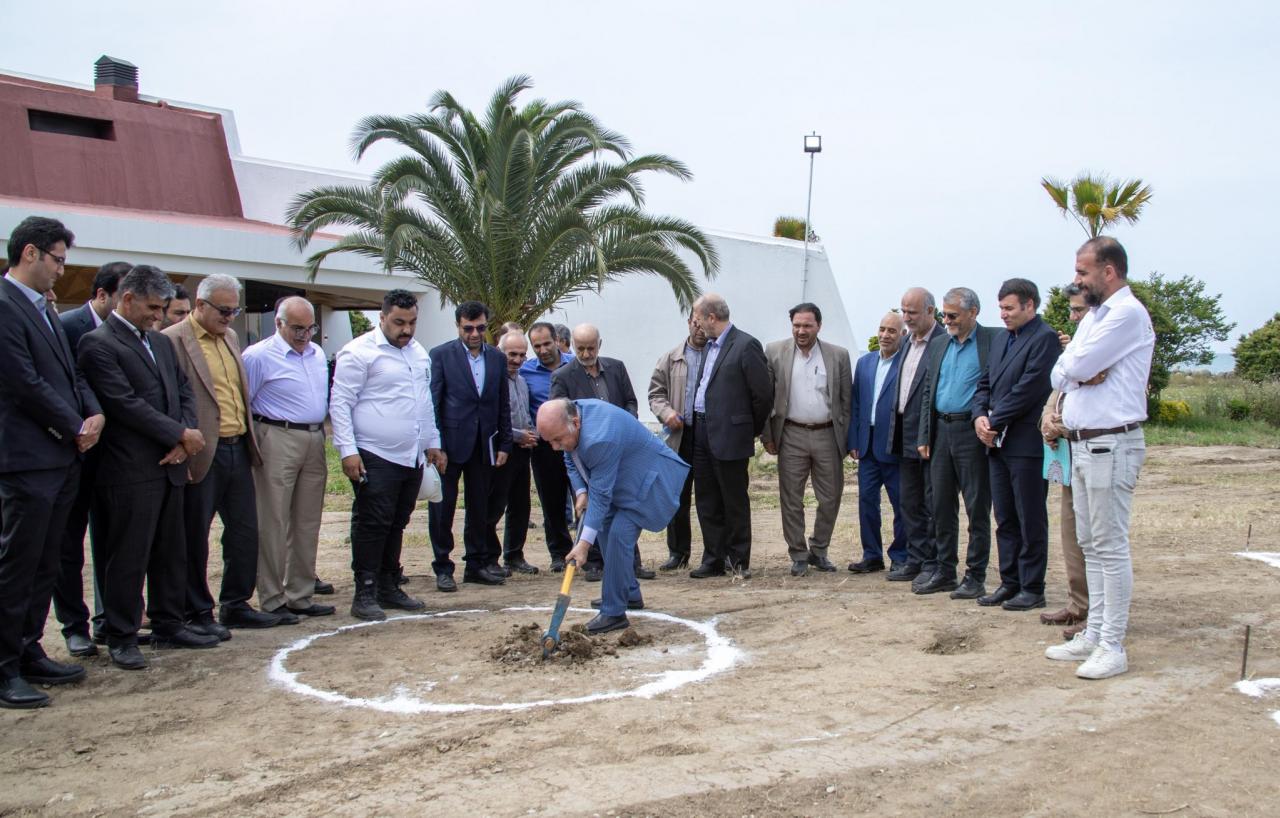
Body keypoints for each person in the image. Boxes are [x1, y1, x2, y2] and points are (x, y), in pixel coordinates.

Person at [79, 265, 218, 670]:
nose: (158, 316)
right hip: (129, 469)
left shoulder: (159, 342)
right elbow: (123, 404)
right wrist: (179, 434)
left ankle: (169, 622)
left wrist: (185, 436)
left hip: (171, 463)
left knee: (171, 549)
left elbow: (183, 390)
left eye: (161, 309)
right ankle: (121, 634)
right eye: (152, 308)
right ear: (127, 299)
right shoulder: (98, 344)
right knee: (129, 554)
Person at [0, 217, 104, 707]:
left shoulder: (44, 307)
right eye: (58, 260)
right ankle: (4, 668)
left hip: (60, 456)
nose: (62, 270)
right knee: (18, 564)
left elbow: (70, 373)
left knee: (46, 561)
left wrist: (93, 413)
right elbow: (22, 382)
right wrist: (74, 425)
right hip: (26, 459)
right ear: (30, 253)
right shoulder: (5, 306)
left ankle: (28, 649)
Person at [1045, 237, 1153, 680]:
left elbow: (1073, 367)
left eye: (1082, 271)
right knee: (1090, 543)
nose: (1076, 279)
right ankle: (1094, 634)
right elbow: (1064, 370)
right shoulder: (1095, 315)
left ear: (1108, 271)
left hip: (1113, 442)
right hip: (1084, 443)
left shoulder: (1127, 314)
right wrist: (1076, 370)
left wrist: (1075, 370)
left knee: (1110, 545)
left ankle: (1113, 644)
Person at [165, 275, 282, 634]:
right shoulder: (171, 341)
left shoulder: (230, 337)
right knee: (194, 535)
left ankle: (236, 603)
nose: (230, 317)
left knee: (245, 532)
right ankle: (197, 611)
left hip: (238, 447)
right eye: (224, 310)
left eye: (234, 311)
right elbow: (170, 399)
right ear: (200, 305)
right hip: (201, 452)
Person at [331, 289, 445, 619]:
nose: (406, 329)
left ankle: (388, 584)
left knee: (397, 521)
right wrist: (347, 451)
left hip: (411, 455)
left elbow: (424, 402)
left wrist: (433, 442)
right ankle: (364, 591)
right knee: (372, 522)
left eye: (412, 322)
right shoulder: (358, 352)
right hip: (374, 453)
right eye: (398, 322)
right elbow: (340, 403)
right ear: (381, 318)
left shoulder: (418, 353)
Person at [537, 399, 689, 633]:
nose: (555, 447)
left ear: (576, 423)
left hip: (647, 482)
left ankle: (613, 612)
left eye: (557, 439)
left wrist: (583, 546)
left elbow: (600, 496)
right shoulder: (572, 420)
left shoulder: (600, 437)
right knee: (606, 529)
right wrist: (581, 492)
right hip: (620, 482)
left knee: (618, 535)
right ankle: (628, 592)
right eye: (550, 442)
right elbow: (570, 457)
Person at [970, 278, 1062, 612]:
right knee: (1005, 516)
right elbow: (984, 383)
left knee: (1029, 517)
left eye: (1009, 308)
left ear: (1029, 305)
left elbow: (1029, 389)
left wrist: (994, 421)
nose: (1003, 314)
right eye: (1001, 308)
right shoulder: (1001, 339)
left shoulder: (1045, 339)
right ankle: (1009, 582)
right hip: (996, 444)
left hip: (1025, 443)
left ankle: (1032, 587)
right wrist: (979, 416)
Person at [53, 260, 130, 656]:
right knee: (68, 544)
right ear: (102, 295)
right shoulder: (67, 327)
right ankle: (73, 626)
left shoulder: (133, 335)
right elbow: (62, 384)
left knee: (113, 540)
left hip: (117, 456)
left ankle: (108, 620)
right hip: (74, 450)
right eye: (125, 296)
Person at [241, 296, 335, 618]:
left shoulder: (317, 353)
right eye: (297, 328)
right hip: (276, 436)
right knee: (273, 519)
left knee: (307, 520)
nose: (304, 335)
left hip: (314, 438)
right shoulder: (258, 356)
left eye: (310, 328)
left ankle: (300, 594)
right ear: (278, 323)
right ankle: (272, 598)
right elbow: (245, 404)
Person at [916, 287, 998, 599]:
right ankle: (944, 570)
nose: (946, 320)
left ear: (973, 312)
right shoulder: (939, 344)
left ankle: (975, 575)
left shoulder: (992, 340)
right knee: (940, 505)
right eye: (944, 315)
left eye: (953, 315)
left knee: (977, 506)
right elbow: (929, 390)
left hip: (971, 432)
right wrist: (924, 434)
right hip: (940, 430)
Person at [550, 323, 648, 579]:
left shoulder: (616, 368)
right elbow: (559, 415)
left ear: (599, 345)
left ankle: (630, 563)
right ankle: (593, 561)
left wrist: (626, 425)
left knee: (623, 504)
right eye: (580, 349)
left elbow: (630, 401)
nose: (585, 354)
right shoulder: (563, 376)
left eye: (591, 348)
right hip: (586, 453)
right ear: (573, 345)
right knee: (591, 504)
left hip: (621, 450)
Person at [761, 303, 852, 576]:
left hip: (827, 434)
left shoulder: (838, 355)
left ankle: (819, 550)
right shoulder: (774, 352)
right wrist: (767, 435)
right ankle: (798, 554)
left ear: (818, 326)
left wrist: (848, 440)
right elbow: (765, 397)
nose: (801, 331)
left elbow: (847, 401)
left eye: (807, 325)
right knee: (791, 498)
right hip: (791, 434)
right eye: (797, 325)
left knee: (830, 497)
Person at [687, 294, 773, 578]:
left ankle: (737, 560)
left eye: (698, 318)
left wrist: (748, 428)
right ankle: (713, 558)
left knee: (733, 500)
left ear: (711, 317)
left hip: (731, 435)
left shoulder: (746, 345)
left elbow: (762, 395)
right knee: (706, 499)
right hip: (701, 431)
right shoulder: (708, 347)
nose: (696, 324)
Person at [427, 301, 512, 590]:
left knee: (479, 507)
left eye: (480, 328)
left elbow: (502, 402)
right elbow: (434, 402)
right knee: (443, 507)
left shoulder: (497, 358)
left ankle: (476, 564)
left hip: (484, 444)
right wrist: (435, 444)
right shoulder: (441, 355)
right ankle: (443, 566)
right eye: (468, 328)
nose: (474, 334)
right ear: (458, 326)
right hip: (449, 446)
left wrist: (504, 443)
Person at [886, 288, 947, 586]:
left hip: (930, 437)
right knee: (909, 502)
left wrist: (927, 434)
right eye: (904, 311)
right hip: (904, 434)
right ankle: (915, 558)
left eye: (912, 312)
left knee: (932, 504)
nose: (907, 318)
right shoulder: (907, 343)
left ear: (930, 311)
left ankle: (934, 562)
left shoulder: (943, 342)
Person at [1040, 284, 1090, 637]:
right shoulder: (1072, 351)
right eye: (1071, 311)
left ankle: (1097, 614)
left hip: (1094, 448)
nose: (1072, 318)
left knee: (1094, 537)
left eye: (1079, 311)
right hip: (1068, 455)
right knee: (1071, 531)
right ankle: (1078, 603)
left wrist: (1064, 425)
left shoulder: (1099, 350)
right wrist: (1047, 418)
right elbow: (1057, 393)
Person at [848, 310, 908, 573]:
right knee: (867, 502)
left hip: (895, 446)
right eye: (882, 329)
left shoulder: (907, 364)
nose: (885, 335)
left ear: (903, 334)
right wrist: (854, 439)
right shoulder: (865, 363)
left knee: (901, 504)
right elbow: (856, 403)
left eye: (892, 331)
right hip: (867, 446)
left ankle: (901, 556)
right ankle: (872, 555)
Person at [648, 312, 707, 571]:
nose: (700, 329)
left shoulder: (718, 355)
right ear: (689, 323)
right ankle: (678, 552)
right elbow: (655, 393)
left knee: (709, 498)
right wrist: (666, 413)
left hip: (708, 436)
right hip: (679, 436)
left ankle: (715, 554)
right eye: (695, 323)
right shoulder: (671, 358)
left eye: (703, 324)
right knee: (677, 498)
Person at [520, 322, 575, 571]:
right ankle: (559, 554)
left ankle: (592, 553)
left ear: (557, 341)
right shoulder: (526, 371)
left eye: (546, 344)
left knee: (584, 496)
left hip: (576, 444)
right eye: (537, 346)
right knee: (552, 503)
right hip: (544, 447)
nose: (542, 350)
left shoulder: (575, 365)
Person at [485, 330, 540, 574]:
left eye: (522, 355)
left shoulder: (521, 380)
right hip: (501, 451)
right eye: (512, 354)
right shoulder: (492, 380)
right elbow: (493, 420)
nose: (517, 360)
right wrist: (518, 436)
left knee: (521, 505)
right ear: (500, 352)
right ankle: (489, 558)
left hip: (522, 451)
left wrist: (531, 434)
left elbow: (524, 414)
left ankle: (514, 555)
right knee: (495, 506)